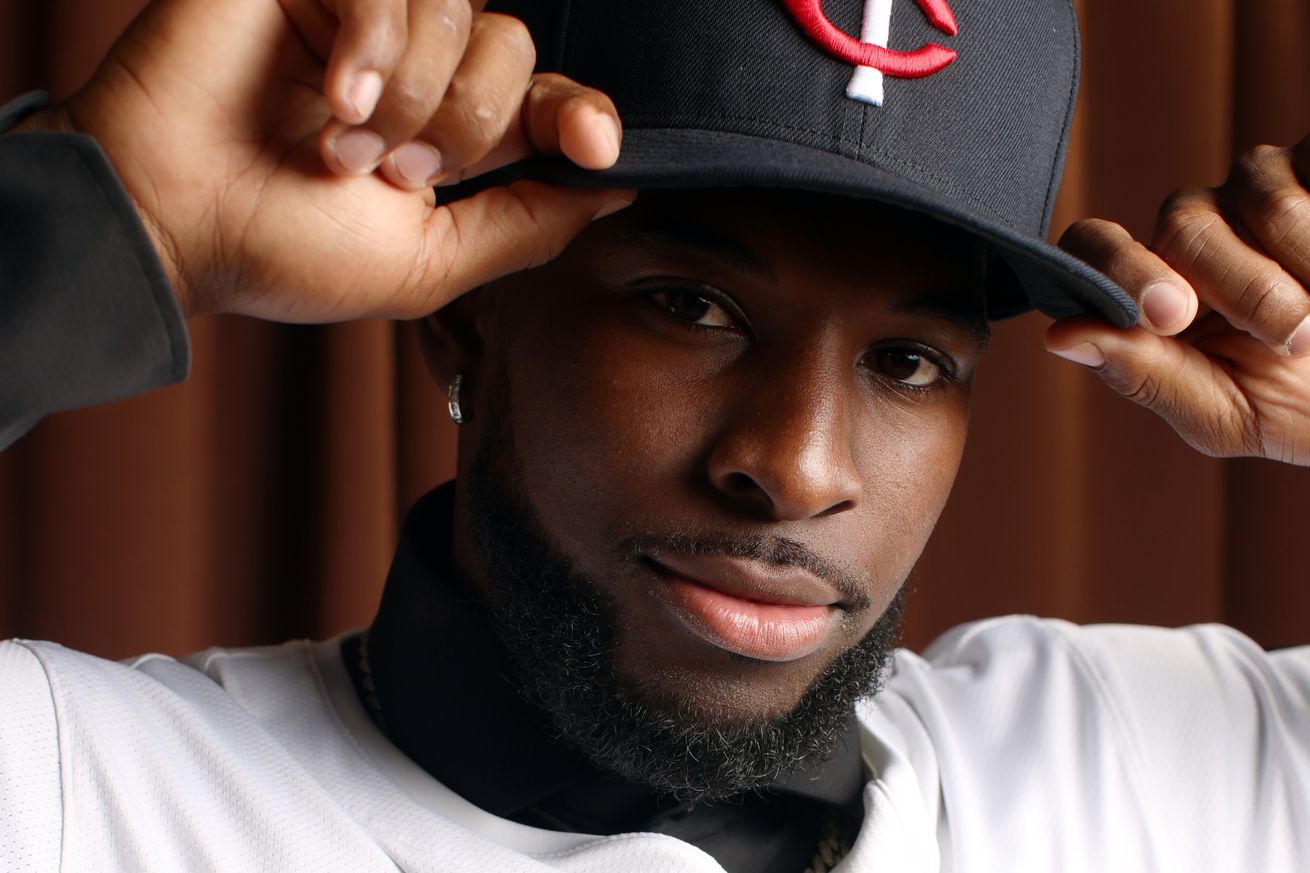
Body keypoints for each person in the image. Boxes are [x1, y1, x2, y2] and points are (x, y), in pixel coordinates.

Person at [1, 0, 1307, 871]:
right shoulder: (78, 787)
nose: (797, 466)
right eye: (691, 307)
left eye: (907, 360)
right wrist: (108, 234)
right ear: (459, 312)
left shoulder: (1137, 760)